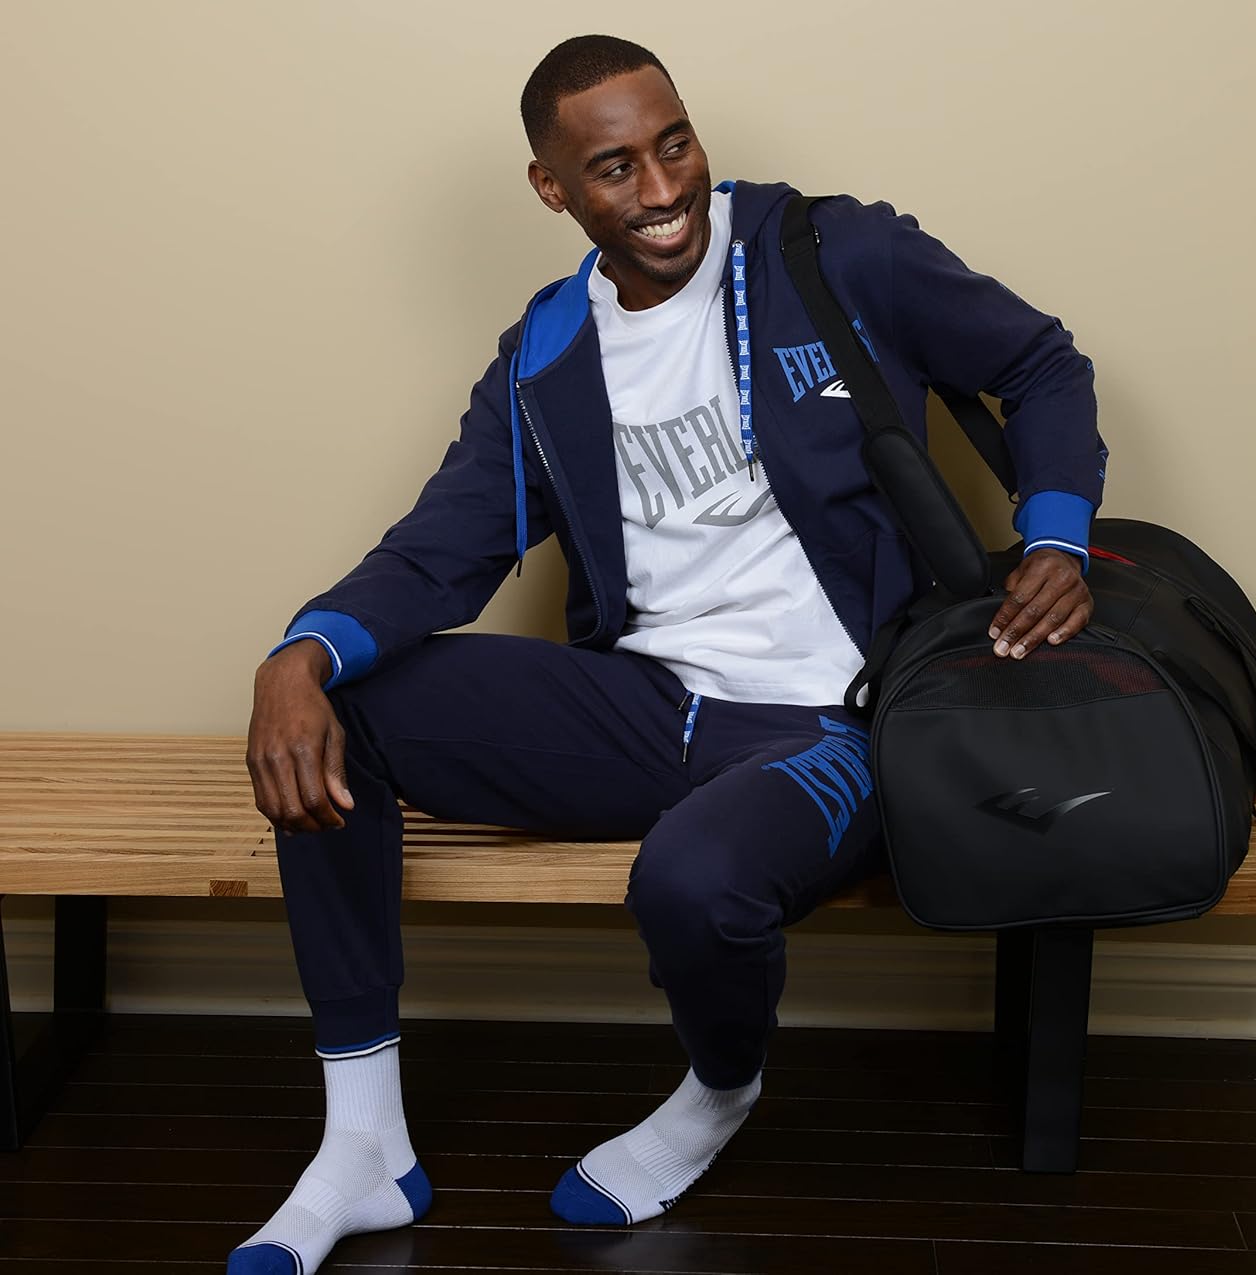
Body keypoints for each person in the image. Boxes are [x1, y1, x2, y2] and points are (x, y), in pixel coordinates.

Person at [232, 32, 1107, 1274]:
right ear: (552, 188)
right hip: (649, 707)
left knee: (691, 884)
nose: (661, 189)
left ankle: (717, 1091)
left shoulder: (831, 253)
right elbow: (441, 549)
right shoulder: (546, 354)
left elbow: (1040, 362)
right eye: (614, 168)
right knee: (337, 709)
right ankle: (364, 1140)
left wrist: (1057, 536)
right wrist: (299, 656)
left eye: (675, 144)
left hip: (838, 716)